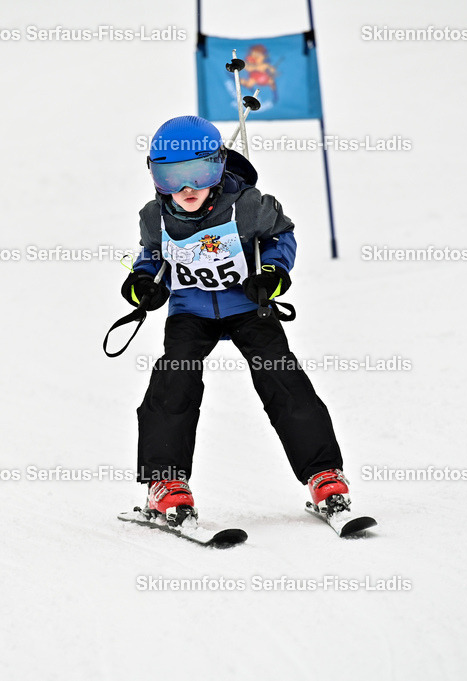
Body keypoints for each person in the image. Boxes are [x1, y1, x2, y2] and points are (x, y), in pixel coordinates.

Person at [122, 115, 350, 527]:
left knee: (280, 374)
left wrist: (274, 274)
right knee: (175, 377)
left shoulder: (247, 206)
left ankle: (324, 474)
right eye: (170, 177)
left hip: (247, 307)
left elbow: (281, 237)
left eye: (198, 173)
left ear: (219, 166)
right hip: (190, 311)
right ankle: (166, 482)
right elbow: (152, 255)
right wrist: (142, 282)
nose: (186, 189)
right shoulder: (154, 215)